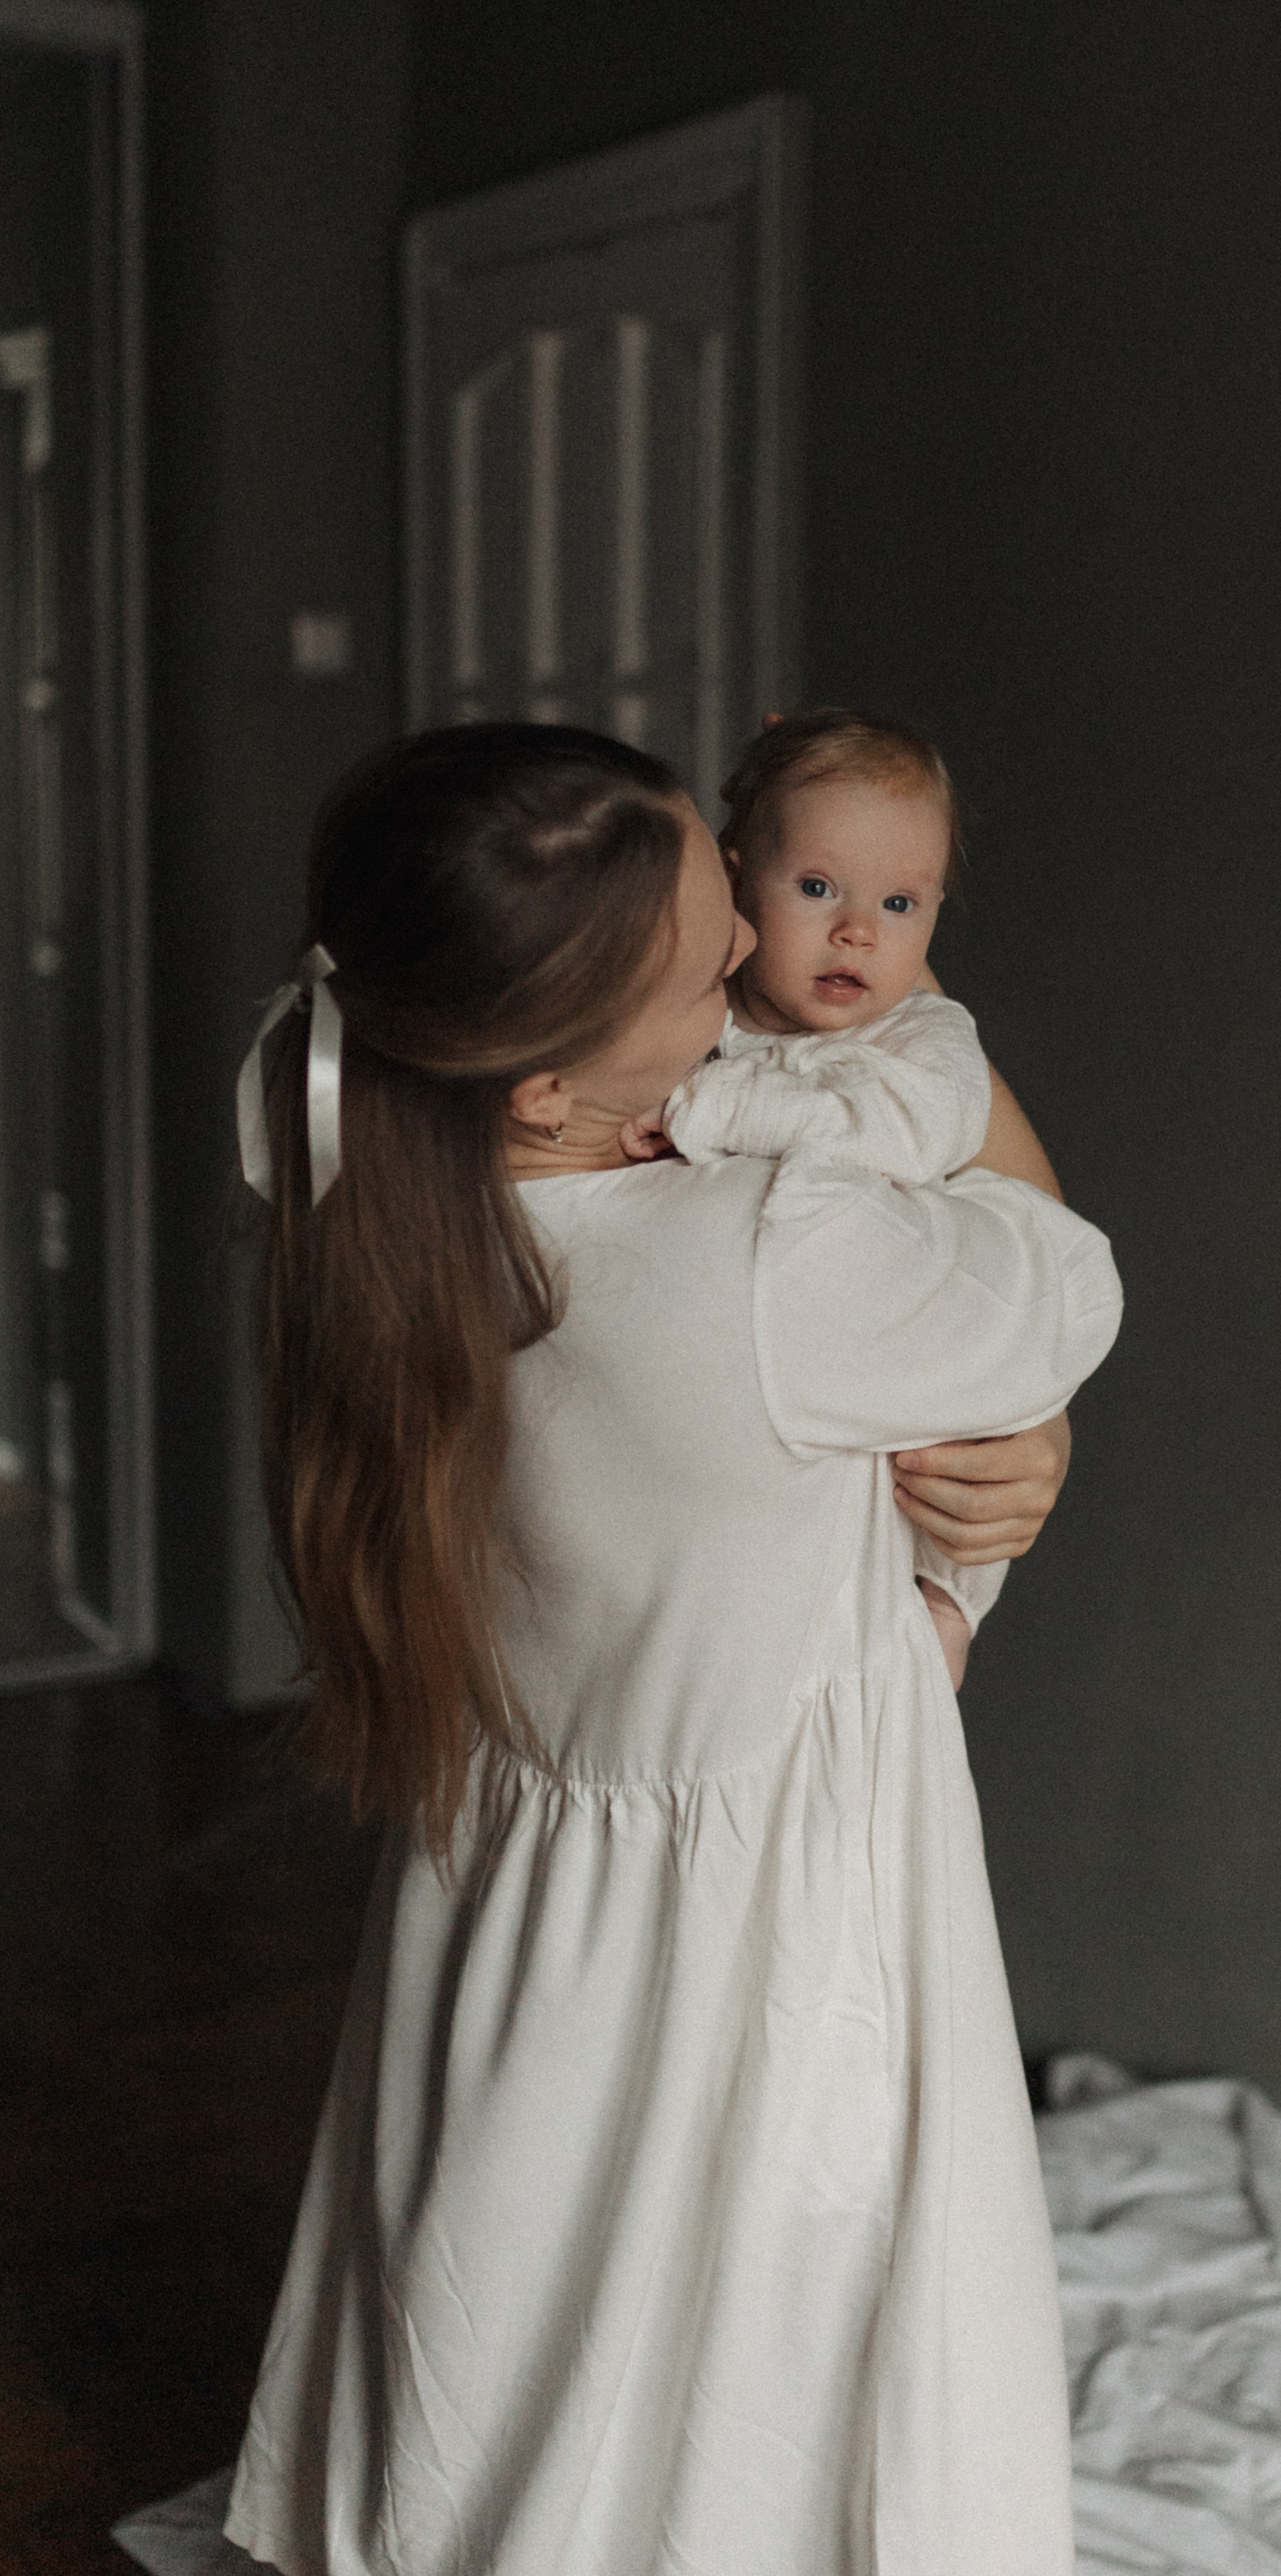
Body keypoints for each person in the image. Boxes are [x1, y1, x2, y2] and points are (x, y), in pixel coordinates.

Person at [223, 722, 1122, 2576]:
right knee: (761, 2298)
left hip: (516, 1856)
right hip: (771, 1911)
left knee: (519, 2256)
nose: (763, 963)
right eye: (721, 944)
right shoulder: (770, 1249)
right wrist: (920, 1014)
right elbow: (1060, 1274)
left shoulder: (347, 1131)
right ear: (548, 1078)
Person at [655, 708, 1036, 1692]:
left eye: (902, 905)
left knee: (964, 1450)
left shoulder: (921, 1035)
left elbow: (905, 1132)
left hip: (903, 1342)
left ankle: (949, 1607)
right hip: (766, 1394)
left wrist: (706, 1106)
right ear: (738, 877)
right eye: (817, 888)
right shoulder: (696, 1009)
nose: (858, 931)